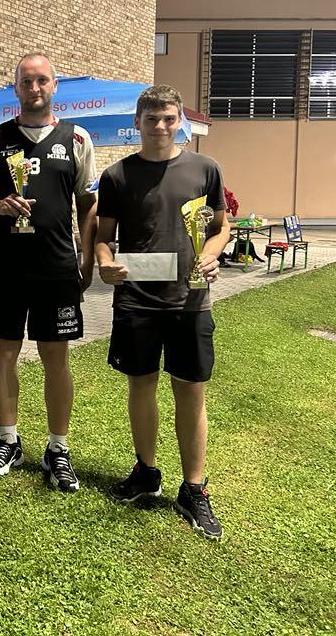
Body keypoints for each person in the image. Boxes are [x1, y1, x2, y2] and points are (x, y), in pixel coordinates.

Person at [94, 84, 230, 542]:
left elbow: (221, 227)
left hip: (190, 299)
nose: (160, 126)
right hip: (137, 299)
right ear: (137, 122)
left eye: (169, 118)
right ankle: (146, 472)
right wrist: (104, 263)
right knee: (141, 386)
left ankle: (193, 489)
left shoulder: (205, 169)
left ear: (179, 123)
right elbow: (104, 237)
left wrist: (211, 254)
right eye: (152, 119)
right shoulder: (116, 176)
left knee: (190, 391)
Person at [0, 53, 97, 489]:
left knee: (55, 357)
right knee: (4, 353)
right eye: (26, 81)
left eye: (42, 81)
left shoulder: (77, 139)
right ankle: (8, 440)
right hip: (4, 265)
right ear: (15, 88)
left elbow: (87, 203)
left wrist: (87, 258)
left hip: (56, 266)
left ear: (54, 86)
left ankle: (58, 449)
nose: (34, 88)